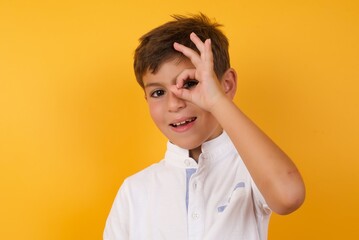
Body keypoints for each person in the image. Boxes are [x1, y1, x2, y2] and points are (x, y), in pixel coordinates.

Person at [104, 13, 305, 240]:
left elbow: (289, 195)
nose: (174, 104)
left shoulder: (250, 170)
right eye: (158, 92)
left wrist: (216, 100)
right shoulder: (134, 192)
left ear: (226, 85)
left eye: (190, 83)